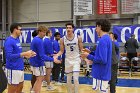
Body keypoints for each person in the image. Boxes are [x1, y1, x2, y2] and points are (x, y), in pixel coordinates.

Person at [81, 19, 112, 93]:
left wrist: (88, 56)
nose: (95, 29)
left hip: (101, 73)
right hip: (103, 72)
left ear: (100, 27)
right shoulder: (106, 38)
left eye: (96, 27)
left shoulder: (103, 40)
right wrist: (91, 52)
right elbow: (102, 55)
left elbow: (102, 60)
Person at [4, 23, 36, 93]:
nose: (21, 31)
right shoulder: (9, 41)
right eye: (20, 29)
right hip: (13, 69)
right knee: (12, 90)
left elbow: (18, 54)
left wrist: (26, 55)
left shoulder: (17, 40)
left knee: (20, 87)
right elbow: (9, 56)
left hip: (20, 67)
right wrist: (24, 53)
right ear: (15, 30)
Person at [30, 26, 61, 93]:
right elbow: (42, 55)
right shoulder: (39, 41)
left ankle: (32, 90)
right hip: (38, 63)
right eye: (43, 32)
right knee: (40, 79)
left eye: (45, 32)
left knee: (38, 79)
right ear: (39, 32)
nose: (44, 33)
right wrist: (53, 59)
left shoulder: (35, 39)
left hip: (34, 62)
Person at [55, 23, 83, 93]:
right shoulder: (62, 39)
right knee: (68, 80)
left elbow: (81, 50)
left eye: (70, 28)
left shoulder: (78, 37)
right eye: (67, 28)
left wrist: (85, 57)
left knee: (76, 79)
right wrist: (56, 55)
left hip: (76, 60)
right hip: (68, 60)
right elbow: (61, 51)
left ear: (73, 29)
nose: (68, 29)